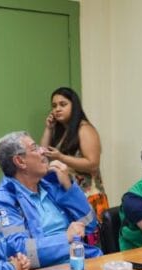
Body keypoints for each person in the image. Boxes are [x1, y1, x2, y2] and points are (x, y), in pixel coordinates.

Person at [0, 131, 102, 268]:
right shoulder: (3, 199)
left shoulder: (51, 183)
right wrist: (65, 238)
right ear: (20, 161)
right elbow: (19, 249)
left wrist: (69, 187)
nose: (43, 150)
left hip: (84, 259)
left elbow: (90, 225)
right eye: (35, 148)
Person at [39, 86, 109, 226]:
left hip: (88, 197)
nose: (57, 109)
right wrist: (48, 128)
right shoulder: (61, 132)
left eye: (63, 104)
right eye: (54, 106)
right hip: (67, 196)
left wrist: (61, 157)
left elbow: (93, 164)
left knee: (92, 242)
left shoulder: (85, 129)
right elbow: (43, 155)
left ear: (74, 106)